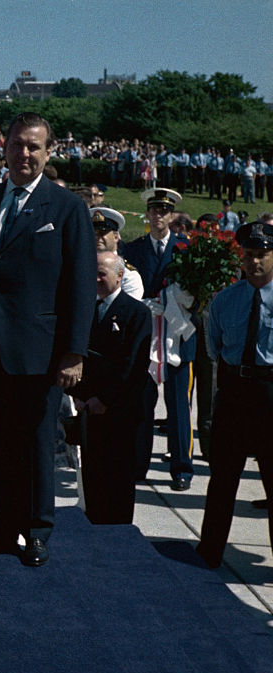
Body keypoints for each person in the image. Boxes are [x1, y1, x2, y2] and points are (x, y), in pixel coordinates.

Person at [0, 112, 95, 568]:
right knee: (1, 443)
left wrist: (74, 352)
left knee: (35, 444)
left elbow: (80, 284)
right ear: (4, 147)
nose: (24, 154)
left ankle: (36, 529)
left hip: (42, 350)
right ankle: (4, 525)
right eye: (17, 145)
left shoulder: (66, 207)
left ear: (49, 151)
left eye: (34, 146)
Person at [195, 222, 273, 569]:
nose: (254, 262)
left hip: (271, 394)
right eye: (248, 255)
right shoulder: (225, 300)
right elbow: (215, 346)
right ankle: (209, 550)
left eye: (262, 255)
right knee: (223, 478)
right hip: (235, 393)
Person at [68, 252, 151, 524]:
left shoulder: (137, 313)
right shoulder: (85, 309)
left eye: (102, 273)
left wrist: (104, 399)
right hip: (88, 408)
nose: (96, 279)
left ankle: (119, 529)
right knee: (92, 470)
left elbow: (133, 365)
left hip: (119, 409)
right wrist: (80, 397)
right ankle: (93, 520)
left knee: (119, 474)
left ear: (119, 276)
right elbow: (79, 356)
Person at [123, 188, 194, 489]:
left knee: (179, 405)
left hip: (178, 334)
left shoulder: (185, 248)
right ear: (147, 214)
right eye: (154, 210)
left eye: (164, 210)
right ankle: (138, 464)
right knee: (142, 403)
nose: (158, 216)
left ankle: (182, 468)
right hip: (146, 334)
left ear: (172, 215)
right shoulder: (133, 249)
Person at [91, 207, 143, 299]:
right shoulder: (81, 266)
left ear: (116, 237)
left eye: (102, 233)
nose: (97, 237)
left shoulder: (128, 274)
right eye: (93, 233)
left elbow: (130, 308)